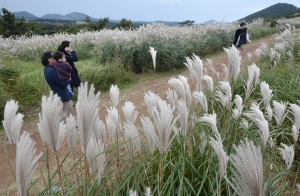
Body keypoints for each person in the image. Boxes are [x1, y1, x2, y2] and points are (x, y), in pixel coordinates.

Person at [41, 51, 73, 121]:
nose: (55, 58)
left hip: (57, 94)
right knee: (67, 114)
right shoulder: (52, 70)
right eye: (53, 57)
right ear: (49, 59)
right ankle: (68, 128)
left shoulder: (47, 68)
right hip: (62, 95)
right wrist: (69, 80)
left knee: (63, 114)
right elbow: (62, 83)